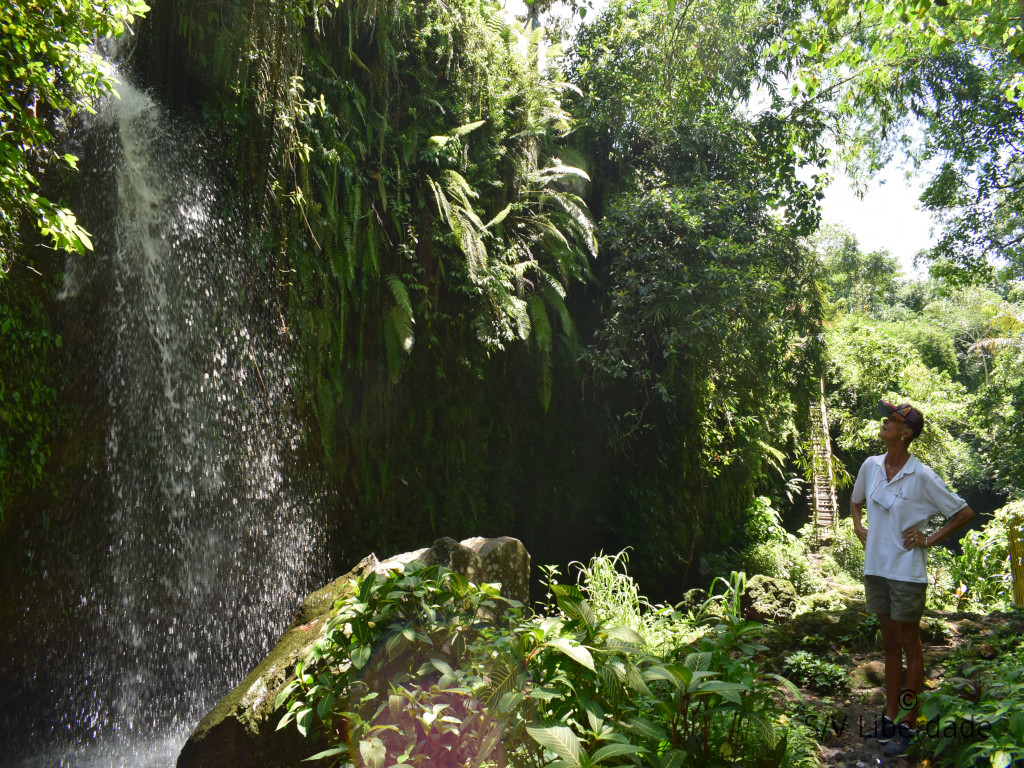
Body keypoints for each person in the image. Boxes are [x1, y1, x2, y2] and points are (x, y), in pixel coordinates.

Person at [850, 400, 975, 757]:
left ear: (906, 433)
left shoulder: (921, 475)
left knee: (910, 646)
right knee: (889, 644)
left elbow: (963, 511)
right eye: (886, 419)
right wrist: (858, 526)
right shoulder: (871, 466)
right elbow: (856, 501)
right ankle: (889, 717)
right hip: (876, 568)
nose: (884, 423)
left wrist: (929, 539)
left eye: (891, 420)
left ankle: (909, 722)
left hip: (906, 571)